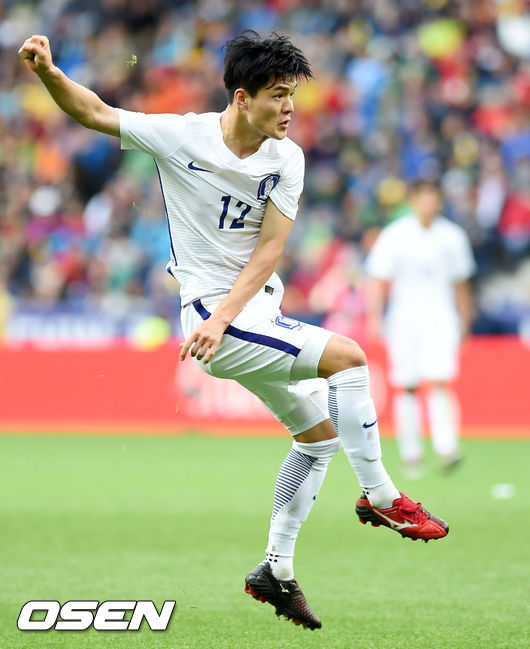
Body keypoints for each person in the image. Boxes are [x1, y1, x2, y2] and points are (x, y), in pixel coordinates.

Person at [19, 31, 449, 631]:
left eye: (293, 94)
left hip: (248, 317)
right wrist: (48, 71)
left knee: (318, 439)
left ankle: (275, 569)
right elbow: (94, 112)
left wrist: (230, 317)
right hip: (212, 322)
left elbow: (269, 250)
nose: (290, 107)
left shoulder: (287, 159)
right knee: (349, 358)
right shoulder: (182, 136)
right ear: (243, 98)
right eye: (278, 95)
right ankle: (380, 496)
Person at [365, 181, 475, 475]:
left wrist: (465, 319)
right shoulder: (395, 235)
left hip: (441, 316)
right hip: (404, 318)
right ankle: (411, 453)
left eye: (432, 198)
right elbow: (377, 278)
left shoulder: (452, 236)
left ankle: (447, 447)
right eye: (423, 198)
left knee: (440, 379)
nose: (428, 204)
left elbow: (461, 282)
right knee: (408, 385)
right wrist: (375, 316)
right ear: (413, 201)